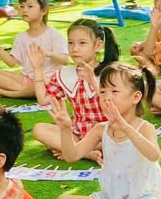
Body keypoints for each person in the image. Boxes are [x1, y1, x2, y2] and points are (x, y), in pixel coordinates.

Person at [50, 63, 161, 199]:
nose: (106, 97)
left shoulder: (145, 128)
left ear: (135, 97)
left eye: (114, 91)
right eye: (103, 91)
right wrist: (65, 130)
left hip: (142, 198)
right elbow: (71, 156)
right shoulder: (100, 129)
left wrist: (125, 127)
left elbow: (154, 155)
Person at [31, 18, 118, 161]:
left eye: (82, 43)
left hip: (107, 132)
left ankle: (74, 150)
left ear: (98, 45)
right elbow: (43, 100)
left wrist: (93, 83)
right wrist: (37, 68)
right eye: (71, 43)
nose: (74, 49)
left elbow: (116, 106)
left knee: (119, 139)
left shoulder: (111, 73)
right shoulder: (65, 73)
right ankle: (85, 152)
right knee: (39, 129)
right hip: (78, 133)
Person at [0, 0, 69, 99]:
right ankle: (32, 92)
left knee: (42, 84)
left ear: (43, 11)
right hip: (28, 79)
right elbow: (11, 62)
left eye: (30, 6)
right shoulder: (21, 37)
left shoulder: (54, 34)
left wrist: (48, 53)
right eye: (22, 7)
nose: (24, 10)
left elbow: (65, 61)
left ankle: (13, 93)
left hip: (49, 80)